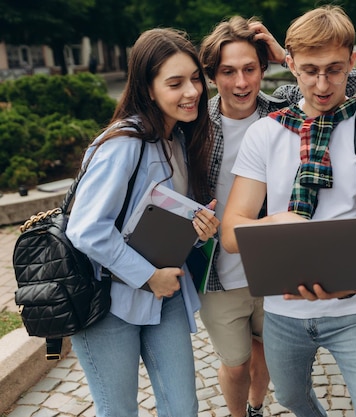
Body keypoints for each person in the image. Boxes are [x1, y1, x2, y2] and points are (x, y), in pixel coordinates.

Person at [221, 6, 356, 417]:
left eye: (334, 69)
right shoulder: (265, 134)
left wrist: (344, 284)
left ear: (352, 62)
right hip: (283, 311)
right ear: (288, 62)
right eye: (309, 70)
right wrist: (278, 221)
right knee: (290, 398)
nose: (322, 84)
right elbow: (230, 232)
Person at [196, 16, 356, 417]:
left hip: (273, 266)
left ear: (264, 69)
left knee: (266, 349)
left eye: (250, 69)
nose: (241, 83)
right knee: (235, 361)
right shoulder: (196, 123)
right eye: (228, 72)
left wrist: (285, 55)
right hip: (220, 269)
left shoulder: (281, 108)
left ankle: (256, 406)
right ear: (211, 75)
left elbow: (342, 81)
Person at [66, 28, 220, 417]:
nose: (192, 92)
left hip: (163, 298)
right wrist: (147, 276)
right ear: (148, 89)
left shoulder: (178, 140)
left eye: (195, 79)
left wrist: (198, 232)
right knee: (118, 412)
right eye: (175, 83)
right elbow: (85, 228)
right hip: (107, 303)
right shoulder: (123, 144)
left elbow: (158, 220)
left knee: (182, 408)